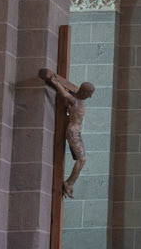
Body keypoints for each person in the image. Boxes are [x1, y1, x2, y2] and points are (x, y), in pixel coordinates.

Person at [38, 67, 96, 197]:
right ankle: (69, 183)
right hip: (72, 132)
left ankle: (69, 183)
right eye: (89, 94)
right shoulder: (74, 100)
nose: (90, 97)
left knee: (82, 159)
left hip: (76, 132)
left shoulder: (78, 98)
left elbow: (69, 92)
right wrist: (55, 82)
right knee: (82, 159)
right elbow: (64, 94)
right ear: (85, 92)